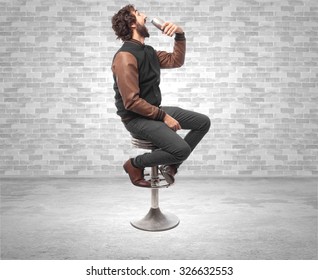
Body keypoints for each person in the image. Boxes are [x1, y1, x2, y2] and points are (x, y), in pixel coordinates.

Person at [111, 4, 210, 187]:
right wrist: (164, 117)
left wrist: (179, 35)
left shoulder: (148, 51)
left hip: (152, 112)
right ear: (132, 23)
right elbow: (131, 102)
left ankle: (171, 166)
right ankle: (134, 164)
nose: (145, 16)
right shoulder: (125, 56)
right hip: (136, 119)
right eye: (139, 14)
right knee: (181, 149)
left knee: (203, 122)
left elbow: (176, 60)